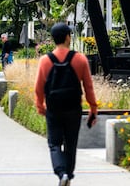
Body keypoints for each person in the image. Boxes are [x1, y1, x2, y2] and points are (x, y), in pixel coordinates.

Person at [34, 23, 98, 186]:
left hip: (54, 109)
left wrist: (40, 106)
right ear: (68, 37)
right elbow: (88, 87)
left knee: (54, 143)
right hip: (73, 108)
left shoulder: (45, 61)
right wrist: (93, 108)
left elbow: (39, 87)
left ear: (53, 39)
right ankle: (68, 175)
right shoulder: (80, 59)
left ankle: (61, 173)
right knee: (71, 143)